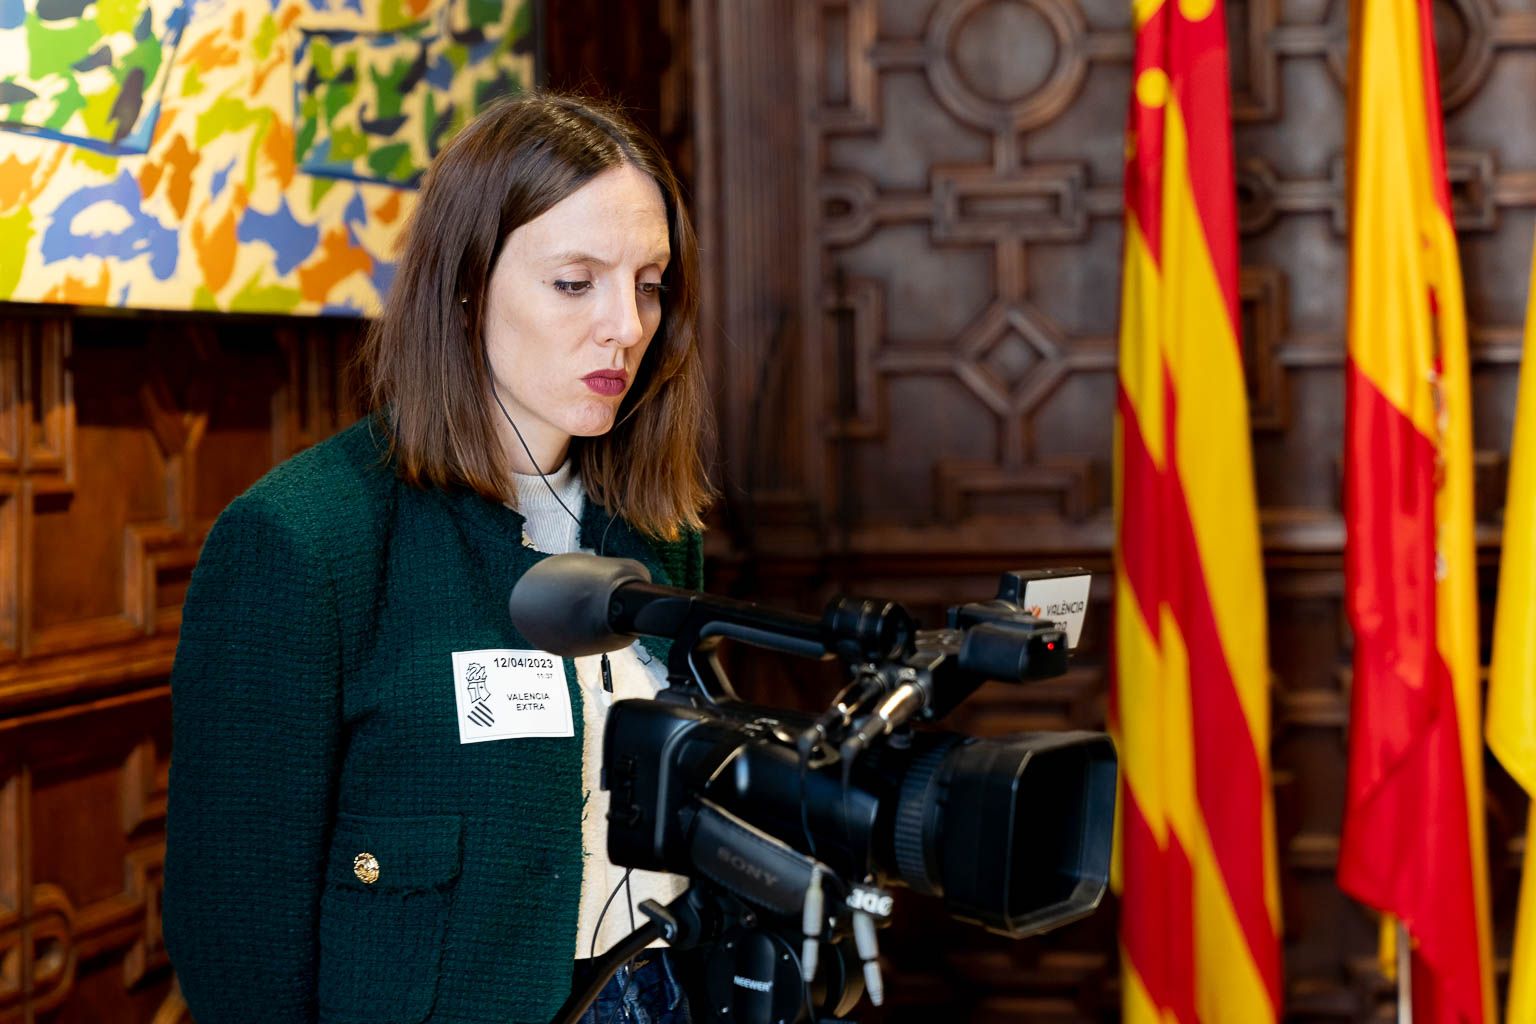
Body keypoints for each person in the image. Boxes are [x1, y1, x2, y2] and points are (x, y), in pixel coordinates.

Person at [162, 92, 715, 1024]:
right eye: (576, 283)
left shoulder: (657, 531)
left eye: (649, 283)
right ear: (465, 289)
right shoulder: (302, 542)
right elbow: (237, 936)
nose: (624, 324)